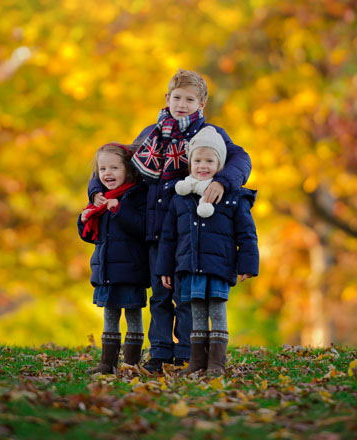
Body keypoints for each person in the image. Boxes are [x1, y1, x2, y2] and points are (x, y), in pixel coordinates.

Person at [87, 69, 251, 373]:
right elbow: (117, 162)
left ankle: (189, 354)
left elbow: (241, 159)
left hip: (190, 231)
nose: (182, 104)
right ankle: (160, 354)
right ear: (167, 98)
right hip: (154, 230)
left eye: (190, 99)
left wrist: (224, 182)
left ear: (201, 104)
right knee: (160, 295)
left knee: (186, 295)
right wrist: (96, 188)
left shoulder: (209, 135)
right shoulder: (152, 134)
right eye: (177, 97)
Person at [157, 126, 259, 375]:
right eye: (198, 160)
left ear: (220, 164)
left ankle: (216, 362)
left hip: (219, 266)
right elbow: (169, 237)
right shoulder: (180, 198)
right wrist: (165, 269)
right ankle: (197, 360)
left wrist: (247, 265)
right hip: (189, 266)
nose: (203, 165)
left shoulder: (233, 197)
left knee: (217, 310)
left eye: (210, 161)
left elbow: (246, 234)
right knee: (196, 313)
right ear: (189, 163)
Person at [79, 143, 149, 374]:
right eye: (103, 169)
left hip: (131, 269)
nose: (107, 173)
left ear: (128, 170)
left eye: (114, 168)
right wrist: (84, 219)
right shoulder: (100, 200)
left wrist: (119, 210)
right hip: (106, 269)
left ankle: (131, 362)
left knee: (132, 314)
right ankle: (107, 362)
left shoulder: (136, 196)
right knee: (109, 315)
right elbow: (91, 237)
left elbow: (142, 228)